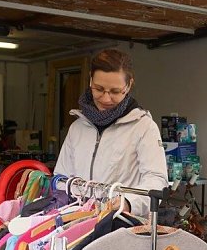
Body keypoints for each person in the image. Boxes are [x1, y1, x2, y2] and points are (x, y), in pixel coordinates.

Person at [54, 48, 168, 216]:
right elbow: (61, 177)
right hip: (77, 222)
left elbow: (157, 180)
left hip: (120, 226)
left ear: (128, 85)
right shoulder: (77, 128)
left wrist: (128, 202)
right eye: (99, 89)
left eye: (115, 91)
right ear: (90, 80)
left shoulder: (144, 127)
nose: (106, 99)